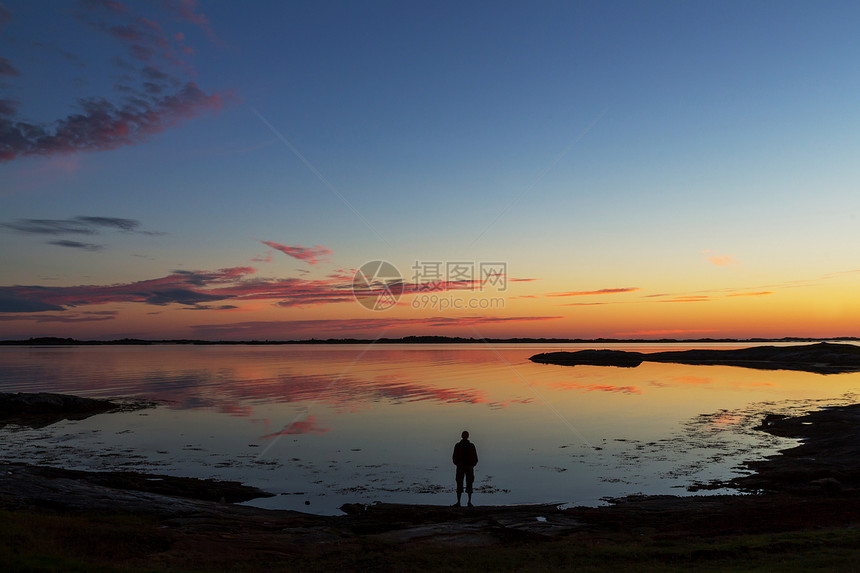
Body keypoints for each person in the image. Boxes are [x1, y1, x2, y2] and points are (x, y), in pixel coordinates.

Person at [452, 430, 478, 507]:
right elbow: (475, 458)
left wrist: (458, 464)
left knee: (461, 483)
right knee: (468, 483)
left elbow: (454, 457)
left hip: (463, 466)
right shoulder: (469, 446)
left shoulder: (458, 445)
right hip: (466, 466)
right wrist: (472, 465)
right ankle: (468, 502)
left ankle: (460, 502)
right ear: (468, 436)